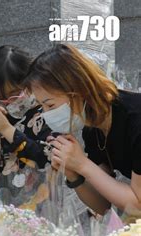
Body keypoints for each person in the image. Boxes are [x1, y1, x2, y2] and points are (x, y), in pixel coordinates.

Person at [25, 43, 141, 218]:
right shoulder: (93, 129)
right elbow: (103, 204)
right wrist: (73, 173)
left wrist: (82, 164)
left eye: (50, 105)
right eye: (42, 106)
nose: (46, 114)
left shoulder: (136, 119)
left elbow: (137, 205)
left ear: (79, 91)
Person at [0, 45, 52, 183]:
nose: (10, 103)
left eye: (15, 94)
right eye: (1, 97)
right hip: (10, 201)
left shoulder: (48, 110)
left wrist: (7, 130)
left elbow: (46, 159)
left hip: (48, 197)